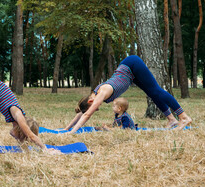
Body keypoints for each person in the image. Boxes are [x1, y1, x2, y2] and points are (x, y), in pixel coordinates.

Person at [64, 55, 192, 133]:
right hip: (129, 73)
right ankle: (172, 120)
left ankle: (184, 117)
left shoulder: (101, 93)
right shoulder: (92, 96)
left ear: (91, 102)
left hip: (131, 65)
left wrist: (72, 133)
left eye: (95, 108)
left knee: (156, 90)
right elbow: (82, 111)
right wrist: (67, 128)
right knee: (152, 93)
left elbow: (86, 114)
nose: (96, 109)